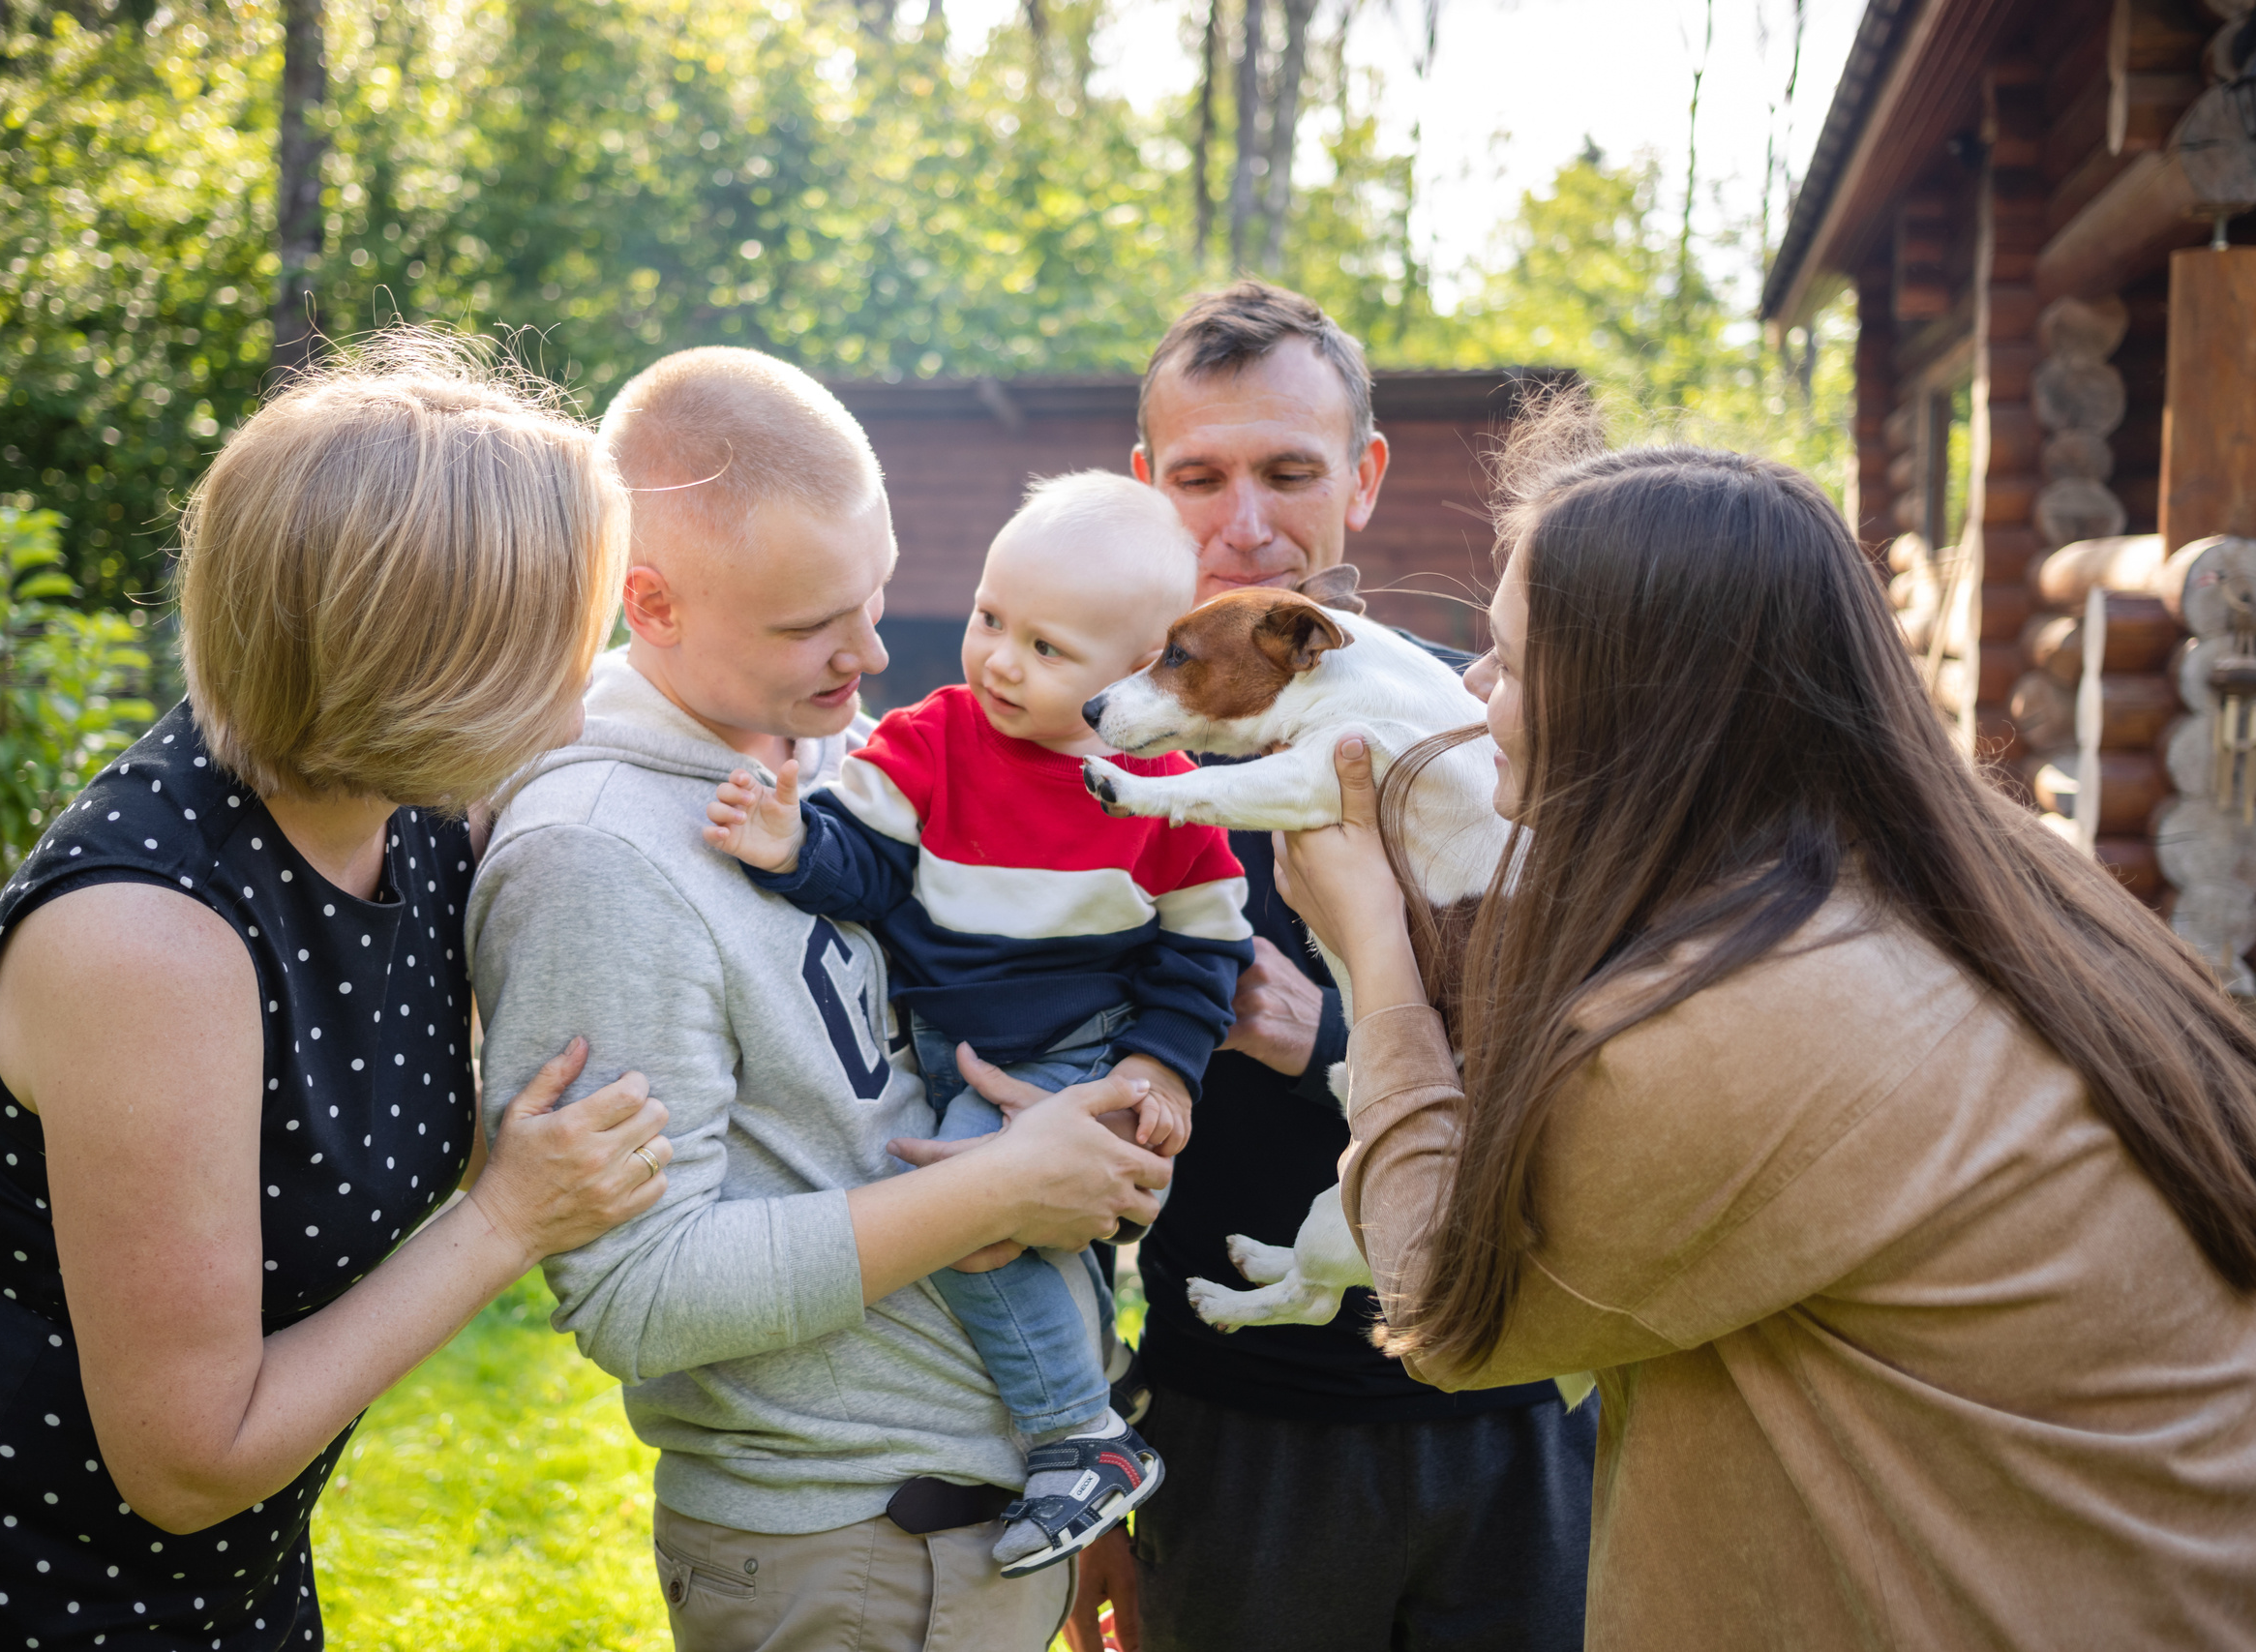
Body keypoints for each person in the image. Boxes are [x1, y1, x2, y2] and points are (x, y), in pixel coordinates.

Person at [1282, 405, 2256, 1649]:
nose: (1474, 691)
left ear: (1644, 708)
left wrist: (1375, 955)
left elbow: (1446, 1307)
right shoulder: (1977, 884)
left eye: (1511, 661)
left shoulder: (1760, 1012)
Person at [0, 334, 674, 1651]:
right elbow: (191, 1455)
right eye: (563, 640)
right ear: (434, 667)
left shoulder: (414, 802)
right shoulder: (147, 941)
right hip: (31, 1592)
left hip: (239, 1576)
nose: (588, 683)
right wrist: (509, 1216)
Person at [466, 348, 1174, 1652]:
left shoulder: (844, 757)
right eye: (809, 623)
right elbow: (634, 1291)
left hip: (995, 1513)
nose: (867, 648)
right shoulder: (598, 853)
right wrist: (999, 1188)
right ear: (652, 599)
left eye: (880, 592)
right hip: (842, 1551)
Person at [1068, 280, 1592, 1652]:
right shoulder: (1078, 759)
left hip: (1513, 1412)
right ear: (1144, 487)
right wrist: (1082, 1477)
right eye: (1200, 476)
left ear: (1362, 477)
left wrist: (1324, 1046)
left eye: (1290, 471)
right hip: (1230, 1423)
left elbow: (1594, 1080)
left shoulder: (1483, 736)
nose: (1246, 522)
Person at [703, 470, 1253, 1577]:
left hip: (1082, 1041)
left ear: (1135, 676)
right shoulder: (933, 739)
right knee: (997, 1208)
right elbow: (865, 865)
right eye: (990, 619)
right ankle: (1089, 1398)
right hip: (964, 1037)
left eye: (1046, 650)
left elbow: (1205, 950)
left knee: (972, 1199)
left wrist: (1162, 1069)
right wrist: (787, 845)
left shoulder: (1159, 790)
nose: (999, 659)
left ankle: (1079, 1439)